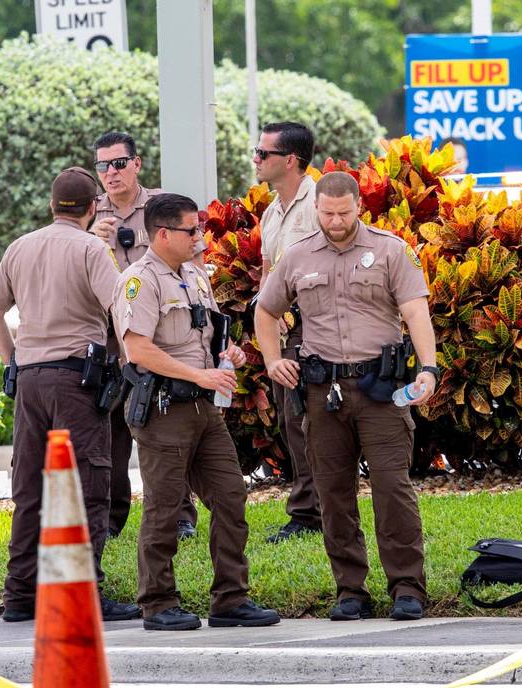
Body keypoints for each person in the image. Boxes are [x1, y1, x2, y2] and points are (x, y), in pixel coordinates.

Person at [255, 172, 440, 622]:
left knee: (392, 488)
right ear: (316, 208)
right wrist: (272, 360)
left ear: (359, 205)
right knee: (333, 493)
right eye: (327, 213)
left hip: (380, 389)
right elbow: (265, 309)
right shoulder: (297, 256)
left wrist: (428, 368)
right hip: (322, 392)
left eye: (344, 212)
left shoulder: (390, 250)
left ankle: (407, 588)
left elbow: (416, 311)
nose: (336, 221)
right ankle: (351, 590)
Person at [0, 166, 141, 624]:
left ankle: (20, 596)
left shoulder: (20, 247)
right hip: (77, 380)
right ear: (93, 208)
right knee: (87, 485)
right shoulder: (92, 248)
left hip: (29, 380)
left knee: (29, 485)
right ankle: (82, 593)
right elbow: (121, 309)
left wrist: (12, 360)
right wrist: (134, 366)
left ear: (52, 206)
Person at [116, 192, 281, 631]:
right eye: (193, 230)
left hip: (205, 410)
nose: (200, 237)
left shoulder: (194, 274)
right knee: (165, 507)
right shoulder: (139, 280)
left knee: (230, 496)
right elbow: (137, 350)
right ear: (164, 233)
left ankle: (230, 598)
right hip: (164, 409)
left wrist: (227, 355)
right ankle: (157, 602)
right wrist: (198, 376)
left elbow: (202, 335)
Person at [91, 130, 198, 542]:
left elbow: (193, 260)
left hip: (159, 337)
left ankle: (180, 515)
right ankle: (113, 519)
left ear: (137, 163)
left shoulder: (163, 207)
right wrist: (91, 241)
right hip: (109, 339)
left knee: (169, 428)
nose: (111, 173)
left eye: (119, 163)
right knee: (111, 435)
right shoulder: (88, 210)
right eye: (103, 166)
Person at [254, 121, 322, 543]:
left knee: (312, 422)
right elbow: (267, 272)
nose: (256, 160)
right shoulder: (271, 211)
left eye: (264, 154)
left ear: (290, 160)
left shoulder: (321, 203)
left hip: (319, 328)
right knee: (292, 420)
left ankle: (311, 513)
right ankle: (309, 510)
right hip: (286, 332)